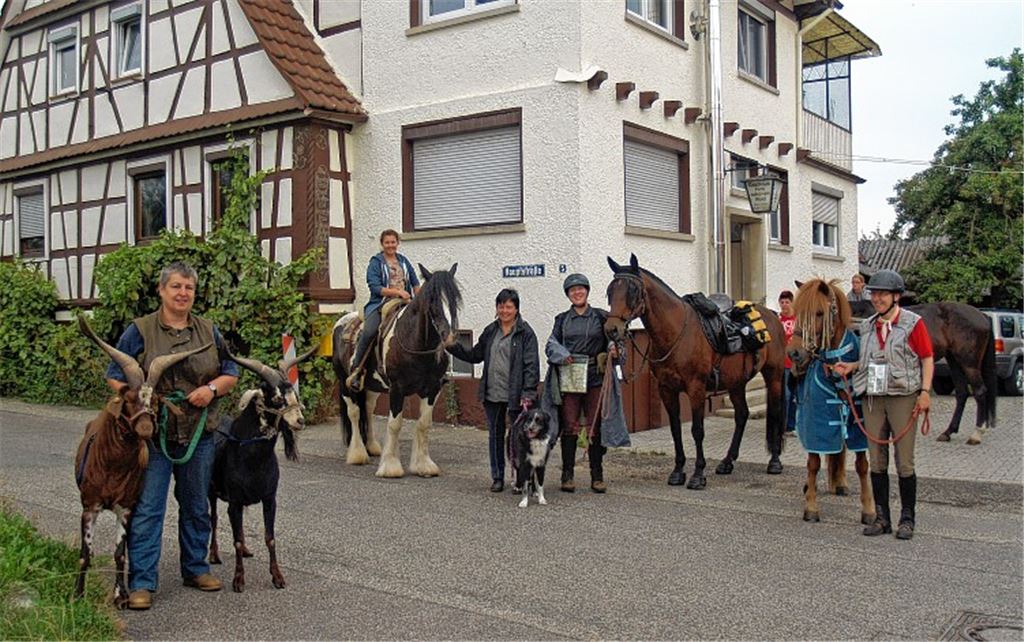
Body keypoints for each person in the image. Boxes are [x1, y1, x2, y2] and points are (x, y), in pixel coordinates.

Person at [105, 262, 239, 610]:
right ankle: (142, 584)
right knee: (148, 508)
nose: (183, 294)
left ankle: (196, 569)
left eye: (189, 288)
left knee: (196, 504)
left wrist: (210, 389)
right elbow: (112, 374)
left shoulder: (209, 331)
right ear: (161, 291)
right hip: (154, 435)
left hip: (199, 433)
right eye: (176, 287)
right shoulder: (141, 330)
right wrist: (139, 395)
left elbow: (230, 371)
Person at [832, 269, 933, 540]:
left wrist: (924, 392)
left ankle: (907, 519)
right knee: (876, 460)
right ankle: (882, 517)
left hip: (903, 397)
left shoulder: (913, 324)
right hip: (873, 398)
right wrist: (851, 367)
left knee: (904, 462)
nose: (877, 299)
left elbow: (926, 358)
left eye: (882, 294)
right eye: (874, 293)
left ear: (896, 296)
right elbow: (868, 362)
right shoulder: (867, 326)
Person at [447, 289, 540, 492]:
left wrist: (528, 392)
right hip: (493, 393)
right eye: (501, 306)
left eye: (509, 306)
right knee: (495, 437)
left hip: (517, 395)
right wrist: (452, 346)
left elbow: (531, 366)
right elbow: (475, 355)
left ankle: (521, 479)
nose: (504, 310)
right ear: (496, 308)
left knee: (519, 439)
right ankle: (497, 477)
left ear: (516, 309)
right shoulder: (491, 331)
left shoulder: (526, 333)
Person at [548, 274, 619, 493]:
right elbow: (551, 344)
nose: (577, 293)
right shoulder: (562, 320)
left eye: (580, 289)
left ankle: (597, 476)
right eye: (572, 290)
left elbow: (615, 340)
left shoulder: (600, 317)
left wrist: (613, 349)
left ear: (587, 291)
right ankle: (567, 474)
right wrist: (562, 354)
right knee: (569, 426)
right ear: (568, 294)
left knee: (595, 427)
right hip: (570, 377)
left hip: (595, 377)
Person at [346, 229, 420, 391]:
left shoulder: (404, 261)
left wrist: (420, 299)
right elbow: (375, 287)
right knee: (370, 331)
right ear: (382, 244)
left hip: (406, 302)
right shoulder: (376, 262)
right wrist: (397, 292)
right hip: (381, 303)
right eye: (387, 242)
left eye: (393, 242)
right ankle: (357, 369)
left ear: (397, 243)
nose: (390, 245)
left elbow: (415, 282)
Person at [778, 290, 798, 436]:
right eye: (782, 302)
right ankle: (784, 425)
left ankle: (793, 424)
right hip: (783, 363)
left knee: (795, 396)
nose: (784, 305)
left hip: (796, 363)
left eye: (787, 302)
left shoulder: (797, 319)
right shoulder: (778, 321)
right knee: (785, 395)